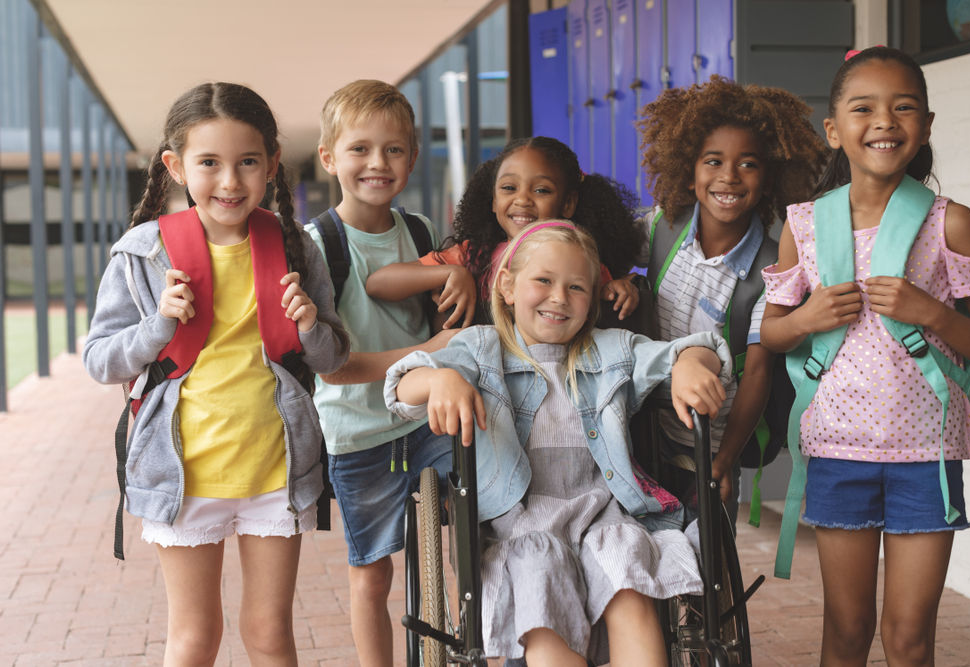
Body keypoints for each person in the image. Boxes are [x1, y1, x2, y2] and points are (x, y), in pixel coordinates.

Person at [83, 82, 350, 665]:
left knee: (269, 634)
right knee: (195, 638)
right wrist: (157, 327)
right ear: (176, 167)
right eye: (209, 163)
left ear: (272, 164)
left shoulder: (296, 248)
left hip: (277, 471)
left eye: (247, 162)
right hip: (182, 477)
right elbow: (99, 359)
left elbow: (333, 359)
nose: (230, 182)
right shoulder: (144, 253)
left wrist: (309, 327)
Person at [384, 221, 732, 666]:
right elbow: (400, 387)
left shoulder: (611, 350)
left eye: (576, 288)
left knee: (626, 571)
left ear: (591, 302)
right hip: (521, 521)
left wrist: (688, 363)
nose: (558, 298)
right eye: (543, 281)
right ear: (507, 287)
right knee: (540, 571)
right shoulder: (480, 349)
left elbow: (701, 348)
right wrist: (440, 379)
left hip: (602, 512)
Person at [760, 46, 970, 665]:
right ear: (834, 130)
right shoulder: (805, 225)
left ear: (925, 126)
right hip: (839, 451)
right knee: (845, 631)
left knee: (910, 638)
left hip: (929, 454)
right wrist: (807, 318)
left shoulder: (953, 224)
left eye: (903, 108)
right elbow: (772, 332)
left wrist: (933, 314)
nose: (885, 121)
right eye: (864, 108)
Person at [305, 79, 458, 667]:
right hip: (359, 435)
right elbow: (336, 369)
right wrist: (428, 352)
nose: (378, 163)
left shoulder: (418, 230)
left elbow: (443, 305)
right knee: (371, 575)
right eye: (360, 149)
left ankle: (458, 647)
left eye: (394, 150)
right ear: (328, 158)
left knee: (461, 552)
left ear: (413, 158)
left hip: (429, 420)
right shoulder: (318, 245)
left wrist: (457, 279)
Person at [636, 75, 828, 515]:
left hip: (705, 443)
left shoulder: (771, 269)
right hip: (641, 432)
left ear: (770, 177)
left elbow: (757, 374)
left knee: (709, 565)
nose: (728, 177)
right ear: (689, 171)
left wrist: (722, 463)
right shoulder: (660, 227)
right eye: (713, 161)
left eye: (748, 164)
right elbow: (590, 256)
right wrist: (617, 281)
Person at [365, 136, 645, 328]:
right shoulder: (472, 256)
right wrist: (451, 273)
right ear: (493, 201)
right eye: (509, 188)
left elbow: (604, 300)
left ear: (568, 203)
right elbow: (378, 283)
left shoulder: (583, 262)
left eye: (541, 190)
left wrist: (616, 289)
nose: (522, 200)